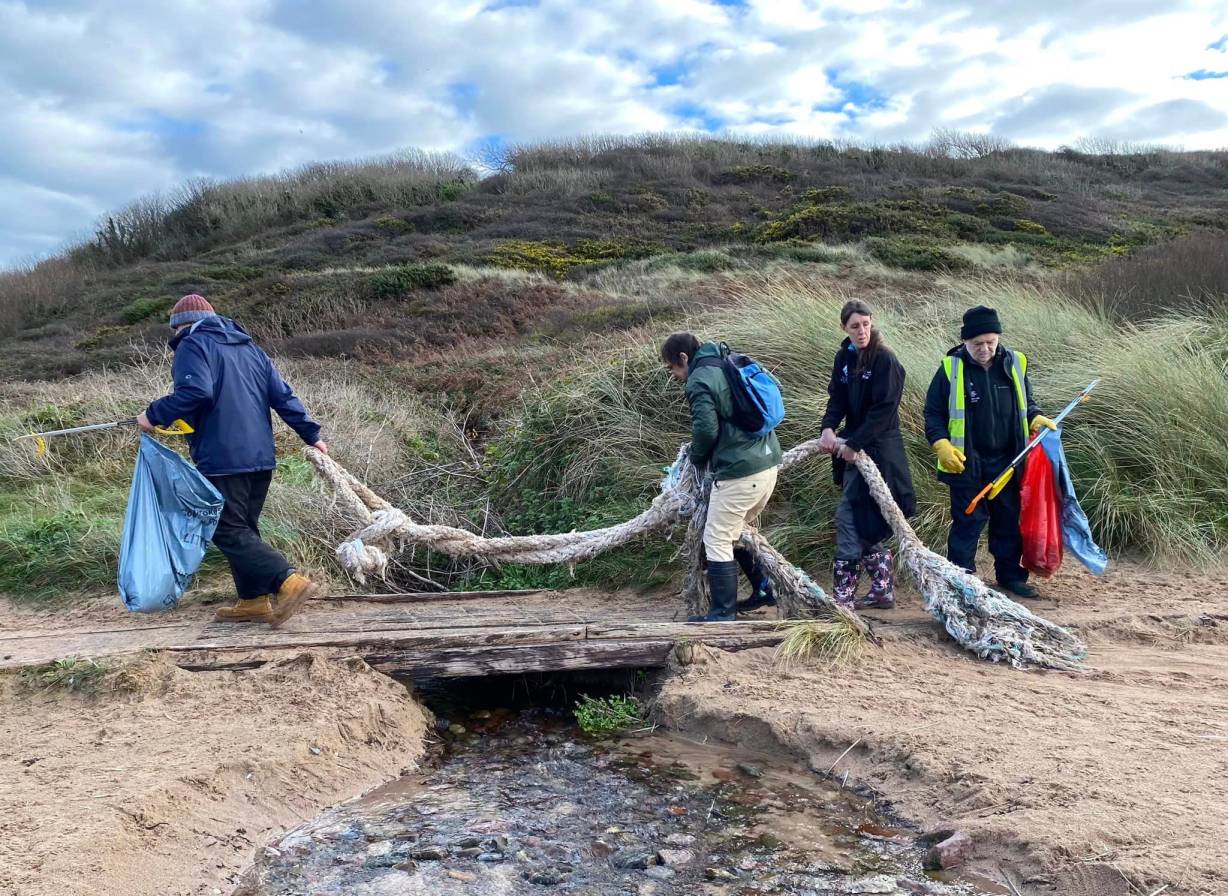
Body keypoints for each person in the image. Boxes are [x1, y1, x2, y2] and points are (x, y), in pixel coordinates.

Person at [137, 294, 328, 626]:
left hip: (223, 455)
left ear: (179, 325)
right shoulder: (249, 348)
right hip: (261, 457)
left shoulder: (192, 344)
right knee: (244, 529)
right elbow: (282, 395)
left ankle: (289, 582)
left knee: (223, 529)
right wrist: (311, 434)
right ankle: (253, 601)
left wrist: (153, 414)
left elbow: (196, 392)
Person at [923, 305, 1056, 599]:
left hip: (1009, 461)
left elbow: (1027, 403)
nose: (984, 349)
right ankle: (962, 581)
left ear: (998, 338)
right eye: (977, 344)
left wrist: (1035, 418)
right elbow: (932, 414)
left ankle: (1010, 576)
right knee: (967, 525)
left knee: (1008, 521)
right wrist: (941, 444)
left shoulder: (1015, 363)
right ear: (965, 342)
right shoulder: (950, 368)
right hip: (966, 463)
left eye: (990, 342)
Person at [661, 332, 783, 621]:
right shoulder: (726, 360)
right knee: (735, 533)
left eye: (673, 368)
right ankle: (763, 589)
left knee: (715, 537)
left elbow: (706, 430)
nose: (675, 375)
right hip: (767, 464)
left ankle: (722, 611)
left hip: (740, 472)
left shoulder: (699, 379)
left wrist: (696, 458)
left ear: (683, 358)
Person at [818, 300, 917, 609]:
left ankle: (843, 597)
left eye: (865, 324)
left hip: (880, 451)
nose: (861, 331)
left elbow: (884, 410)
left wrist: (855, 443)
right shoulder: (844, 358)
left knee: (849, 516)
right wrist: (828, 428)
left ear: (872, 323)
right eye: (854, 326)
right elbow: (838, 398)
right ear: (844, 329)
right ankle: (882, 589)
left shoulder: (886, 361)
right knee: (860, 516)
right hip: (851, 450)